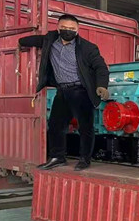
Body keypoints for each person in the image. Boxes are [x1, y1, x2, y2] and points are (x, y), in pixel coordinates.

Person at [18, 14, 110, 171]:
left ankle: (84, 159)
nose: (68, 31)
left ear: (77, 30)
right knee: (55, 125)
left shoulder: (87, 48)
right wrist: (20, 42)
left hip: (81, 91)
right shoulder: (50, 40)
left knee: (85, 127)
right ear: (58, 28)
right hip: (62, 91)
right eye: (64, 28)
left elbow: (101, 67)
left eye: (72, 29)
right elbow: (34, 40)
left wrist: (102, 86)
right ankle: (58, 157)